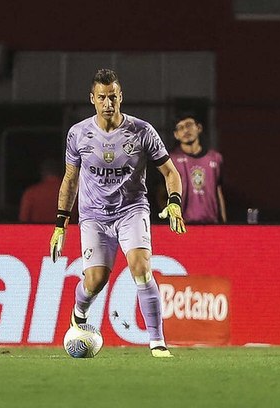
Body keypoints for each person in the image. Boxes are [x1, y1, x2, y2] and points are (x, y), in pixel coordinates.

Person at [49, 68, 186, 358]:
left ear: (121, 96)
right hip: (94, 217)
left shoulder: (142, 131)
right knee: (96, 280)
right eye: (102, 97)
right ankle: (79, 311)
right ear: (92, 99)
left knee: (141, 267)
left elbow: (170, 172)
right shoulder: (78, 134)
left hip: (132, 210)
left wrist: (174, 200)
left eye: (113, 96)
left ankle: (157, 343)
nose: (108, 103)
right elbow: (70, 179)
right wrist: (61, 224)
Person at [170, 112, 227, 224]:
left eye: (189, 125)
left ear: (199, 128)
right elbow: (162, 193)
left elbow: (218, 191)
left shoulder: (215, 158)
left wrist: (224, 222)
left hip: (211, 223)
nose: (186, 130)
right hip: (183, 225)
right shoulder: (171, 160)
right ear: (176, 135)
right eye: (180, 128)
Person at [19, 158, 65, 223]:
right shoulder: (73, 193)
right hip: (68, 232)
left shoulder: (31, 193)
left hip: (38, 232)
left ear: (42, 172)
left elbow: (23, 220)